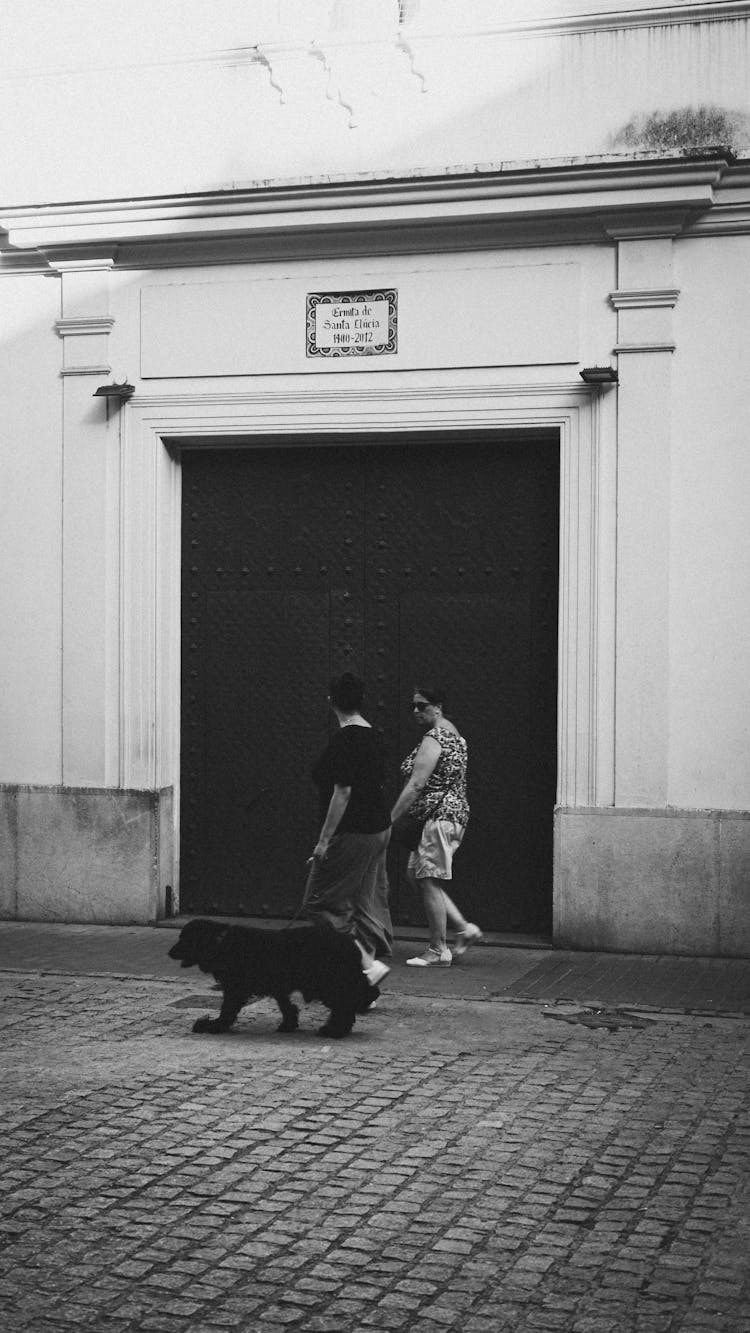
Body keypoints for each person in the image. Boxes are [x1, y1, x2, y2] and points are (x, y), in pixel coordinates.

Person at [303, 672, 392, 991]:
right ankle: (364, 971)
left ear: (332, 702)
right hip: (379, 828)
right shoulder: (374, 736)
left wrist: (323, 842)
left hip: (353, 830)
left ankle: (367, 966)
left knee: (319, 902)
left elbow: (342, 792)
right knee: (361, 900)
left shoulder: (345, 739)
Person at [391, 685, 482, 966]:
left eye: (422, 705)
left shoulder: (436, 737)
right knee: (416, 874)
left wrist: (390, 818)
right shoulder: (454, 734)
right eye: (413, 706)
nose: (416, 711)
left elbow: (416, 783)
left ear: (438, 706)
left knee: (427, 878)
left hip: (438, 817)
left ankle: (437, 949)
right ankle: (464, 929)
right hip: (446, 816)